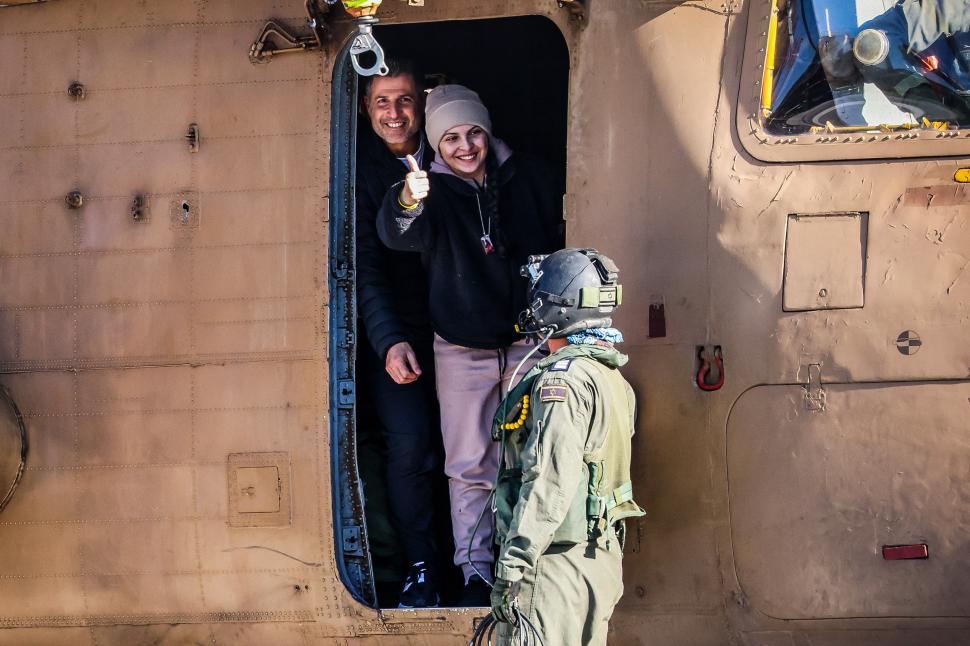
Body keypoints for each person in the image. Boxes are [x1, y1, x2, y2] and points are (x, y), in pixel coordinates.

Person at [377, 84, 564, 605]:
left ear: (488, 132)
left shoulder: (527, 175)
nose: (465, 146)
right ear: (437, 146)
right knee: (470, 465)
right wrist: (409, 196)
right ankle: (475, 570)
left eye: (474, 132)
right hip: (460, 346)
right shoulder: (429, 192)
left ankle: (525, 565)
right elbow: (395, 231)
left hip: (528, 341)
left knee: (529, 457)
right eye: (452, 137)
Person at [489, 248, 645, 645]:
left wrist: (514, 565)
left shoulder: (563, 381)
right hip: (599, 565)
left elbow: (550, 480)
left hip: (551, 571)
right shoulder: (611, 377)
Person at [355, 58, 445, 608]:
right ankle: (419, 567)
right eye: (383, 101)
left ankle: (477, 563)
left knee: (473, 451)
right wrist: (389, 341)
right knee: (410, 448)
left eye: (405, 100)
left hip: (463, 332)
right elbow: (363, 265)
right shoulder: (358, 170)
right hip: (400, 335)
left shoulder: (455, 152)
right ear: (366, 108)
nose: (395, 112)